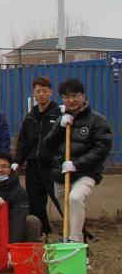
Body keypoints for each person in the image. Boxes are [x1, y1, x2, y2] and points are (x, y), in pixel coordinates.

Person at [43, 78, 113, 246]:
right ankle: (78, 245)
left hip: (86, 172)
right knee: (68, 212)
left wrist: (77, 164)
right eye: (66, 97)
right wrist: (59, 126)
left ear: (83, 96)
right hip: (62, 173)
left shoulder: (96, 120)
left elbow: (102, 148)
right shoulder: (61, 119)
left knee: (75, 198)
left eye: (75, 95)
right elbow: (48, 145)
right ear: (62, 98)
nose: (71, 100)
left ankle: (74, 243)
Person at [12, 76, 59, 238]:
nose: (41, 94)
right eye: (38, 91)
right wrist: (17, 161)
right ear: (33, 93)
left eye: (44, 91)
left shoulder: (58, 114)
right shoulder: (30, 116)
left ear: (51, 92)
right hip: (33, 167)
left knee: (60, 200)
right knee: (35, 203)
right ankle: (42, 233)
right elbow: (23, 142)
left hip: (52, 166)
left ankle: (78, 234)